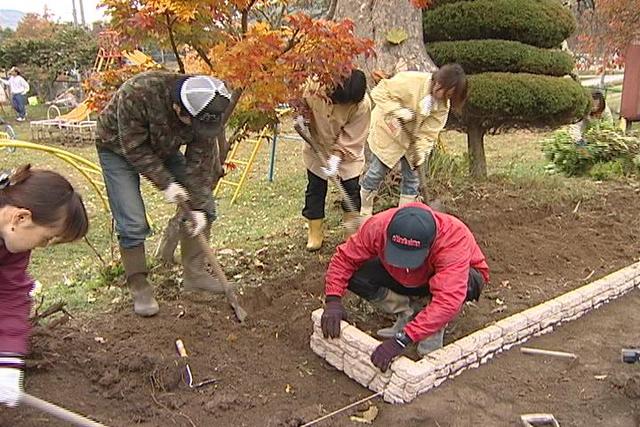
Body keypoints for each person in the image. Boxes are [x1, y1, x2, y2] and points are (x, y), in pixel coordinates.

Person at [96, 71, 232, 317]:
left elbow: (198, 164)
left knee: (205, 205)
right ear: (178, 109)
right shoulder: (138, 93)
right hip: (117, 146)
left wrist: (199, 207)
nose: (199, 130)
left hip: (163, 147)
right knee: (133, 221)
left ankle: (195, 274)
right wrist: (167, 183)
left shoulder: (206, 106)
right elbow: (134, 148)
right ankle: (139, 285)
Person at [320, 202, 489, 372]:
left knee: (466, 282)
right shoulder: (378, 226)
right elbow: (345, 259)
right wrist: (333, 299)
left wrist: (403, 339)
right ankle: (407, 312)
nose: (405, 262)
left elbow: (449, 298)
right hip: (402, 277)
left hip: (449, 280)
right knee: (356, 273)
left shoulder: (453, 238)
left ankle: (432, 327)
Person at [0, 164, 89, 407]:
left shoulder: (12, 247)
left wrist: (8, 360)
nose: (44, 246)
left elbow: (10, 295)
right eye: (46, 238)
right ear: (21, 217)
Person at [360, 64, 467, 217]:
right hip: (389, 132)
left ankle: (404, 218)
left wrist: (421, 152)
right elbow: (379, 92)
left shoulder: (442, 106)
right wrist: (397, 110)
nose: (443, 97)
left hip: (412, 142)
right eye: (443, 91)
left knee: (412, 180)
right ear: (439, 81)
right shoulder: (410, 80)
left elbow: (429, 133)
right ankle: (363, 212)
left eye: (448, 96)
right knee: (377, 172)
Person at [300, 69, 370, 251]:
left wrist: (336, 158)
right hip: (316, 147)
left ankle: (351, 235)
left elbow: (353, 135)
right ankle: (315, 233)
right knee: (315, 188)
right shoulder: (314, 87)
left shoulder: (362, 105)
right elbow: (299, 104)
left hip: (347, 155)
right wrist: (301, 118)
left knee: (352, 190)